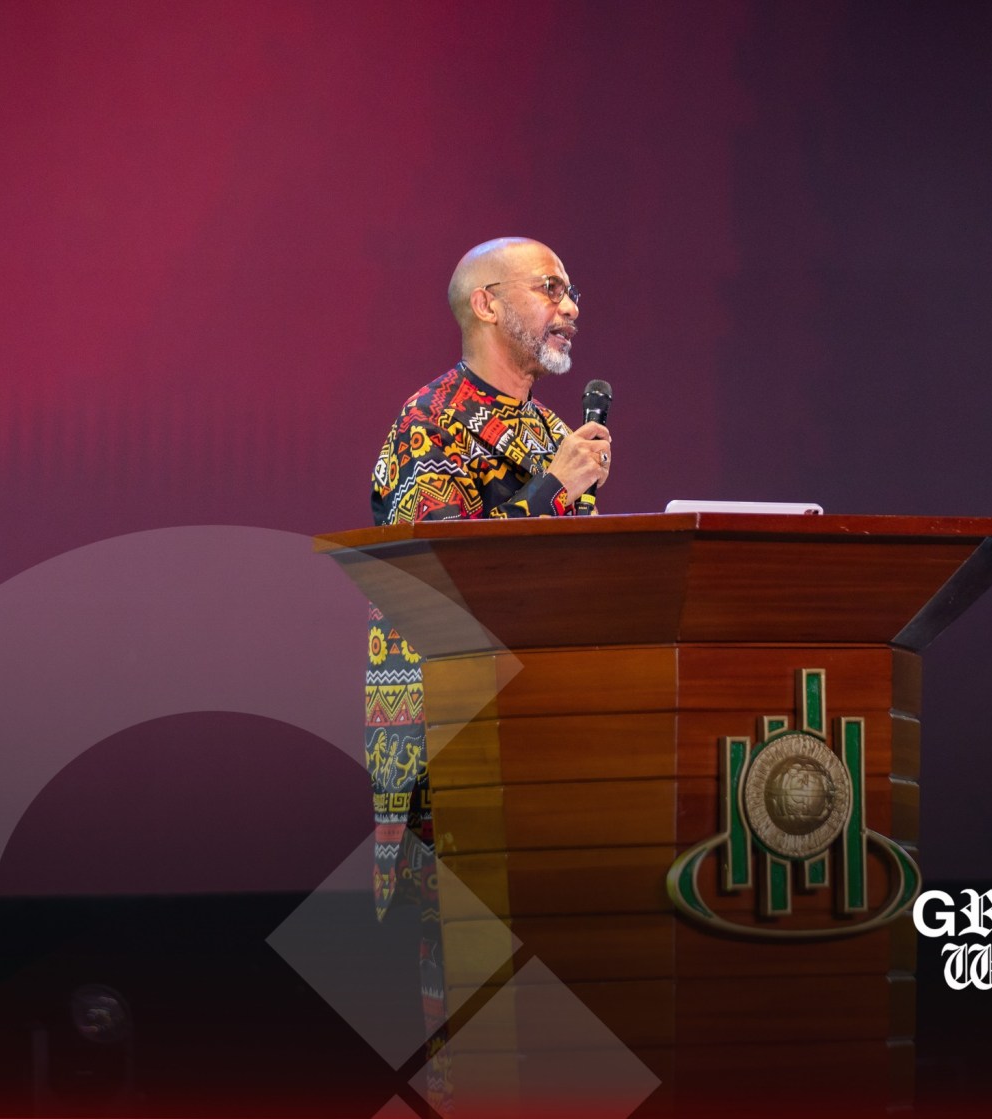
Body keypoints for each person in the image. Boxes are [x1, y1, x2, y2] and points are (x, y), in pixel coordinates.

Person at [362, 237, 610, 1096]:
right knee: (469, 991)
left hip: (554, 725)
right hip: (456, 731)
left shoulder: (552, 432)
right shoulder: (430, 420)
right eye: (551, 288)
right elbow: (435, 569)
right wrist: (549, 491)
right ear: (488, 304)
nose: (571, 305)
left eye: (572, 290)